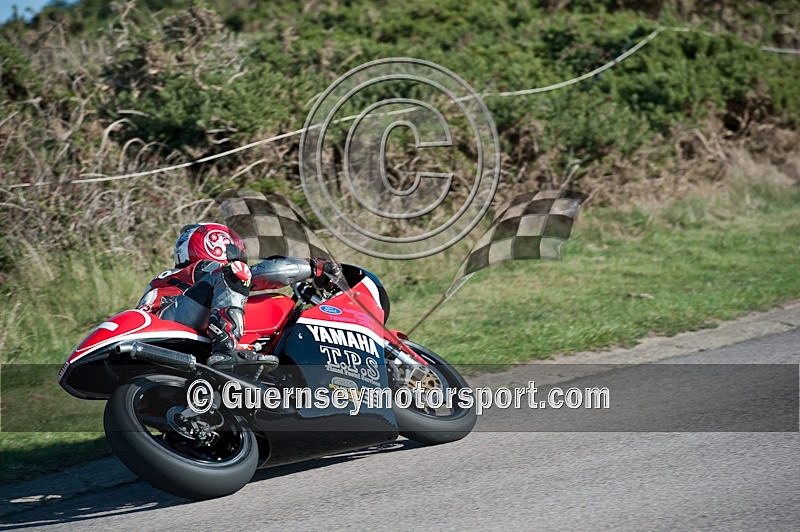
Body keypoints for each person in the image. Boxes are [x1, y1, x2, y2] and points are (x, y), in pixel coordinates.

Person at [137, 222, 338, 369]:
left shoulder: (182, 278)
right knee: (236, 272)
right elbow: (258, 274)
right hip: (168, 321)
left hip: (163, 323)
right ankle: (225, 351)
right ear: (214, 244)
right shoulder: (201, 269)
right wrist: (313, 267)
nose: (238, 253)